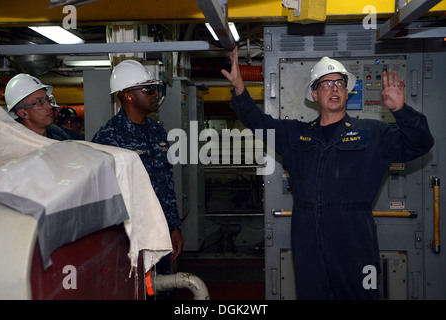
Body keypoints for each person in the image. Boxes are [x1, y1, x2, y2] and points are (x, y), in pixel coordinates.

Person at [221, 46, 434, 300]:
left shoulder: (373, 133)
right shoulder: (295, 134)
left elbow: (420, 144)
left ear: (346, 91)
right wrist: (240, 90)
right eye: (326, 84)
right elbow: (259, 123)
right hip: (307, 240)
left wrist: (401, 111)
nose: (334, 88)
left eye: (340, 83)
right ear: (314, 93)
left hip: (354, 240)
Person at [91, 60, 183, 296]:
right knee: (135, 291)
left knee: (163, 289)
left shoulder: (158, 131)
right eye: (148, 89)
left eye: (154, 88)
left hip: (160, 230)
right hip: (129, 237)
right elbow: (102, 193)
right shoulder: (109, 137)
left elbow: (166, 182)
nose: (155, 95)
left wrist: (174, 226)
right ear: (128, 96)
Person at [4, 73, 72, 141]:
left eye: (48, 99)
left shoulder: (60, 144)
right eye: (39, 102)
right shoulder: (15, 149)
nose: (50, 106)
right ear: (23, 113)